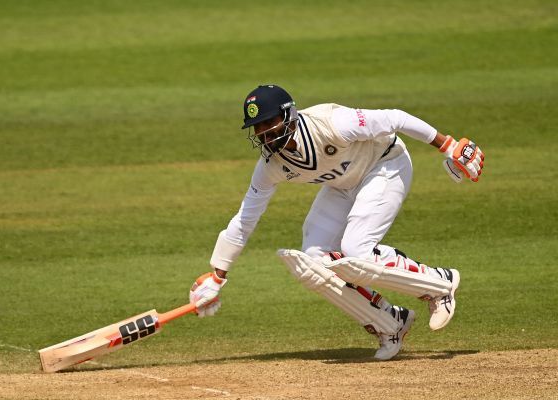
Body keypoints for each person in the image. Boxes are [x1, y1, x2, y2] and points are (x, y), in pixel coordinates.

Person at [188, 84, 484, 360]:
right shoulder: (270, 166)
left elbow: (395, 118)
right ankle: (390, 322)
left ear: (288, 116)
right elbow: (245, 218)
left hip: (384, 165)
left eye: (270, 124)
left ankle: (438, 283)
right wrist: (216, 277)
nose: (265, 135)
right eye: (258, 129)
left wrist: (448, 146)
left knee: (357, 249)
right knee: (314, 260)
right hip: (342, 184)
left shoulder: (331, 123)